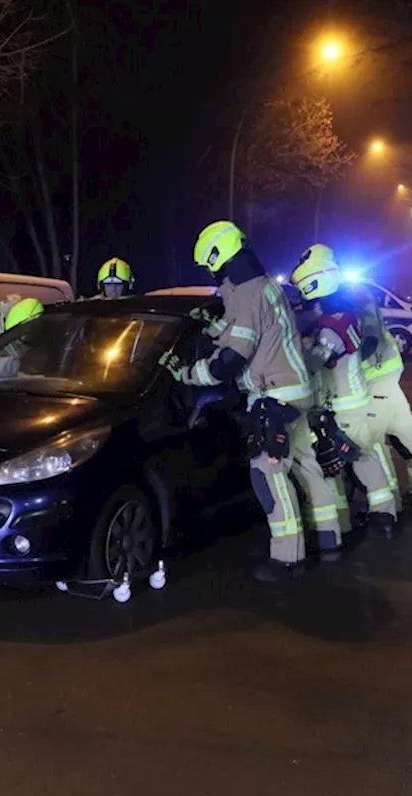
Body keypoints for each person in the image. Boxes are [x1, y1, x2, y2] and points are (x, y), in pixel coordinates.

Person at [167, 220, 342, 581]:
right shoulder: (260, 287)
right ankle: (330, 538)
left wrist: (186, 373)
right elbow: (251, 331)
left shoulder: (246, 294)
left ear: (218, 256)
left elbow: (230, 359)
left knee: (267, 475)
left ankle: (287, 557)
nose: (211, 272)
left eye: (210, 264)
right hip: (296, 390)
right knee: (307, 467)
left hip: (273, 394)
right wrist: (212, 327)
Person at [290, 252, 399, 538]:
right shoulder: (340, 317)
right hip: (342, 402)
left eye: (307, 296)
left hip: (345, 404)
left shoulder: (332, 327)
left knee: (361, 458)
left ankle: (383, 513)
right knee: (338, 463)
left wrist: (297, 346)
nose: (305, 303)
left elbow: (314, 362)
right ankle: (351, 518)